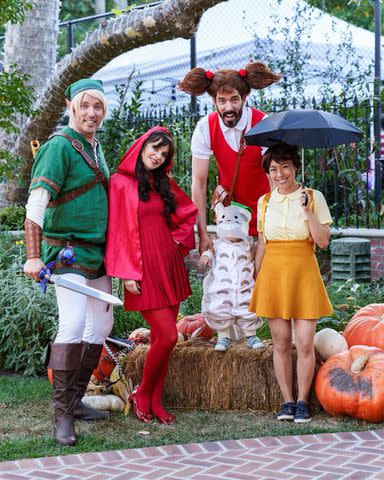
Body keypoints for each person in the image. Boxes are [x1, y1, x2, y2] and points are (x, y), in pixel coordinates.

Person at [23, 78, 113, 446]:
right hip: (66, 251)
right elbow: (36, 205)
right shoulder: (58, 146)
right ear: (70, 105)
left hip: (97, 252)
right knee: (73, 323)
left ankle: (75, 401)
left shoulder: (95, 147)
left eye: (98, 107)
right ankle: (61, 415)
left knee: (101, 326)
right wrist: (31, 256)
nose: (92, 113)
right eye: (85, 105)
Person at [105, 126, 197, 425]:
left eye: (163, 153)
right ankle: (142, 393)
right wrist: (125, 272)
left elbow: (186, 213)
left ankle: (155, 402)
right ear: (142, 146)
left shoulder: (162, 182)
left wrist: (175, 242)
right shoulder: (120, 182)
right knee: (169, 335)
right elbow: (117, 231)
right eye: (154, 149)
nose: (157, 156)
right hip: (140, 269)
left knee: (163, 338)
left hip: (166, 264)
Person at [249, 143, 333, 423]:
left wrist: (308, 211)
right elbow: (262, 244)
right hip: (273, 274)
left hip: (303, 272)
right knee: (281, 342)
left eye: (285, 167)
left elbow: (322, 241)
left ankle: (302, 402)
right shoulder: (264, 202)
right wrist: (256, 276)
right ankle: (286, 401)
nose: (280, 173)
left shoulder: (313, 196)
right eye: (273, 169)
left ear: (295, 167)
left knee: (306, 343)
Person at [177, 61, 280, 253]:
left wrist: (273, 224)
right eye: (222, 101)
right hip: (229, 222)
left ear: (244, 98)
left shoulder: (262, 123)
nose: (228, 107)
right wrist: (203, 233)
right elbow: (198, 183)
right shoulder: (205, 127)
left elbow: (274, 177)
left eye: (234, 99)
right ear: (214, 101)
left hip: (264, 219)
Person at [200, 202, 264, 351]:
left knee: (248, 308)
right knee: (221, 310)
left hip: (244, 286)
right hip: (223, 287)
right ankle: (223, 337)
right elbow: (210, 251)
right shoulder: (217, 244)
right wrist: (206, 255)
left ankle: (251, 335)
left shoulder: (248, 244)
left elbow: (258, 253)